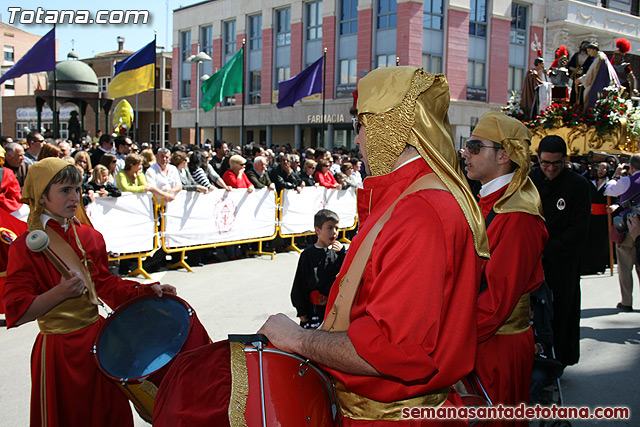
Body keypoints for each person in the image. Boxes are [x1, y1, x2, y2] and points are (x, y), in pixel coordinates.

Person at [259, 67, 489, 424]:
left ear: (387, 127)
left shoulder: (419, 212)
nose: (357, 141)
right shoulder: (413, 198)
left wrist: (298, 339)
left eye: (360, 126)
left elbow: (392, 351)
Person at [2, 158, 176, 427]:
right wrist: (59, 293)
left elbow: (106, 286)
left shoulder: (90, 237)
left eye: (77, 189)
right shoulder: (25, 247)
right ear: (41, 196)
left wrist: (147, 290)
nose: (75, 198)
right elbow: (17, 310)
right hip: (60, 352)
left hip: (102, 344)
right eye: (64, 190)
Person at [462, 111, 548, 418]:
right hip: (483, 335)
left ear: (504, 155)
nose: (465, 153)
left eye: (474, 146)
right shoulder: (492, 199)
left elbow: (498, 301)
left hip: (496, 342)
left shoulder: (518, 214)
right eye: (466, 145)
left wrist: (450, 334)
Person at [530, 135, 591, 368]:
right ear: (538, 158)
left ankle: (559, 362)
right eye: (546, 163)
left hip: (562, 261)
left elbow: (578, 229)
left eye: (557, 164)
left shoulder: (578, 185)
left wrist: (548, 250)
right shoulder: (530, 179)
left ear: (565, 160)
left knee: (562, 311)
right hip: (532, 260)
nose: (551, 168)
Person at [290, 209, 346, 329]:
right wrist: (302, 313)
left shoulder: (337, 253)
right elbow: (299, 284)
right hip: (313, 311)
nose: (334, 232)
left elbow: (345, 275)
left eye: (336, 228)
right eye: (329, 228)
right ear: (317, 230)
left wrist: (343, 253)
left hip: (333, 310)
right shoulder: (308, 255)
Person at [604, 153, 640, 312]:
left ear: (631, 167)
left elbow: (608, 191)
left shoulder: (627, 181)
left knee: (625, 266)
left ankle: (627, 301)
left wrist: (616, 175)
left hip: (628, 227)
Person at [582, 162, 612, 275]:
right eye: (599, 168)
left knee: (601, 242)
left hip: (603, 217)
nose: (600, 171)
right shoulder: (590, 183)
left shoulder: (609, 185)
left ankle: (599, 266)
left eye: (603, 169)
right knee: (589, 241)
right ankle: (588, 265)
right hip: (591, 215)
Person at [578, 42, 621, 110]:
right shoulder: (602, 57)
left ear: (595, 50)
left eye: (589, 51)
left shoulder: (599, 58)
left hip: (600, 86)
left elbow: (591, 73)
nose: (589, 53)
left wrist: (581, 80)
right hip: (604, 84)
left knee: (589, 95)